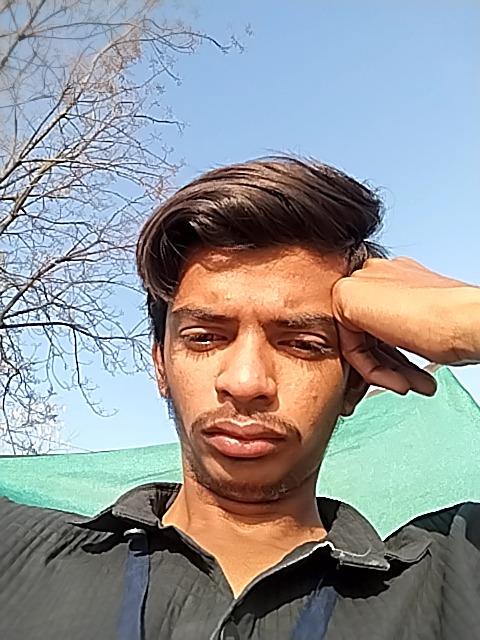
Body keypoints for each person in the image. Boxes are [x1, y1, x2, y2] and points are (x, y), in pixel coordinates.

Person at [1, 157, 479, 640]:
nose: (246, 382)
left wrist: (464, 318)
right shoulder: (20, 555)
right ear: (161, 365)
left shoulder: (453, 577)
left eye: (302, 344)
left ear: (354, 382)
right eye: (205, 338)